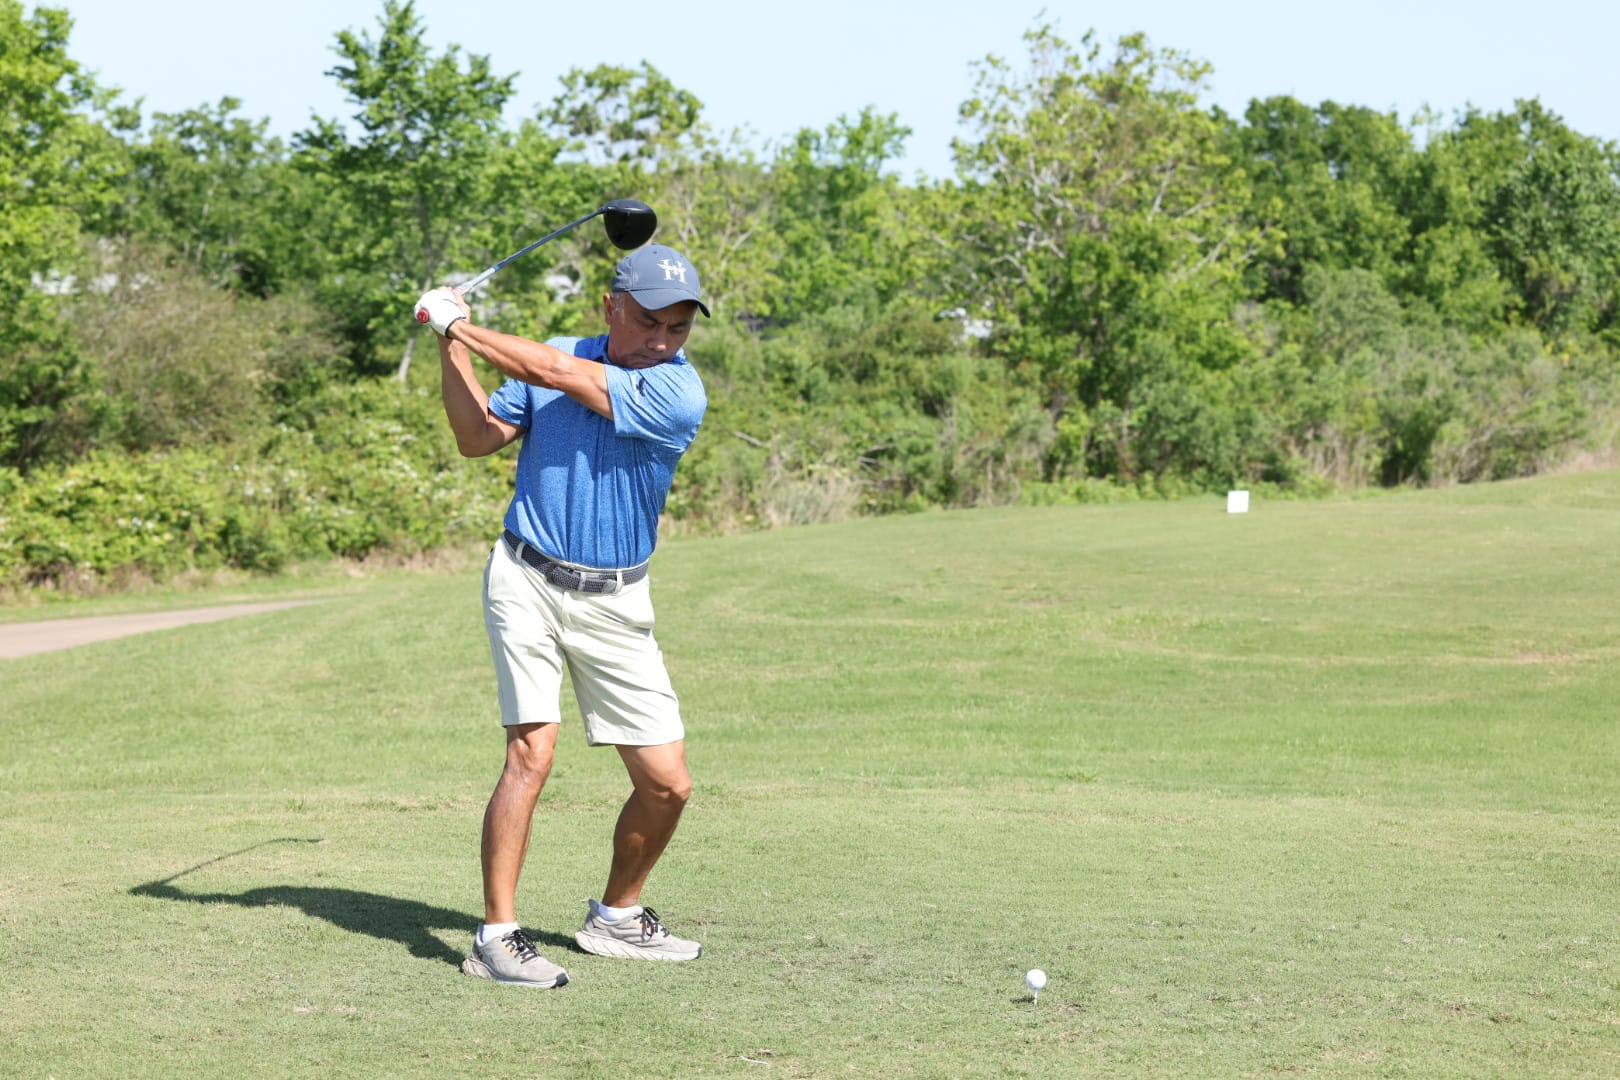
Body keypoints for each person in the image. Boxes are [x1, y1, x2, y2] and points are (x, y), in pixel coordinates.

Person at [413, 243, 710, 988]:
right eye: (648, 322)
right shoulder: (553, 355)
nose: (662, 341)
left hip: (617, 599)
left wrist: (458, 323)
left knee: (668, 783)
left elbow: (555, 373)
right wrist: (453, 346)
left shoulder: (676, 390)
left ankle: (616, 917)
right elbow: (477, 437)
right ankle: (496, 936)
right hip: (526, 577)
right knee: (531, 753)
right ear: (611, 307)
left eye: (678, 327)